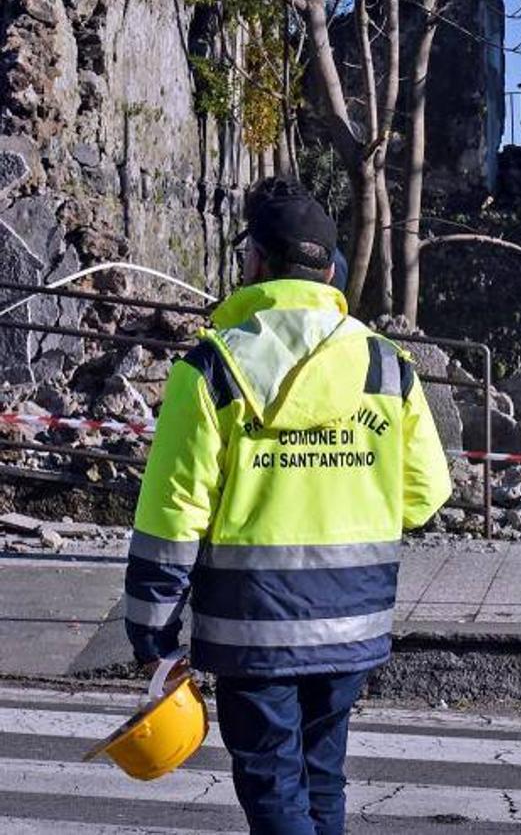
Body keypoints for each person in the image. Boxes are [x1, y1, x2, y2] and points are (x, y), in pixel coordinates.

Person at [124, 177, 452, 834]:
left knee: (275, 787)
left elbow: (173, 515)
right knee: (321, 777)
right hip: (354, 622)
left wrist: (151, 632)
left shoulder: (212, 369)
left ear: (255, 264)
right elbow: (425, 496)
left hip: (255, 629)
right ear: (329, 271)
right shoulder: (387, 367)